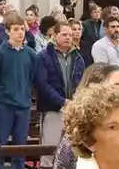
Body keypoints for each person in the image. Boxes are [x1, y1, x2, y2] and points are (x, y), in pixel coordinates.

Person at [0, 11, 36, 169]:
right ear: (7, 31)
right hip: (4, 104)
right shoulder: (0, 52)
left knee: (20, 145)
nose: (20, 33)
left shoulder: (30, 54)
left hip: (23, 104)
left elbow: (31, 77)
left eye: (22, 29)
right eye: (16, 29)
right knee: (0, 143)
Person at [32, 19, 86, 150]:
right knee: (50, 149)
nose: (68, 37)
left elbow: (82, 82)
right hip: (53, 108)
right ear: (54, 35)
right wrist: (62, 101)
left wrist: (75, 101)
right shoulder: (44, 56)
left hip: (73, 109)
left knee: (72, 150)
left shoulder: (78, 57)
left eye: (70, 35)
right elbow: (42, 84)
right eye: (64, 34)